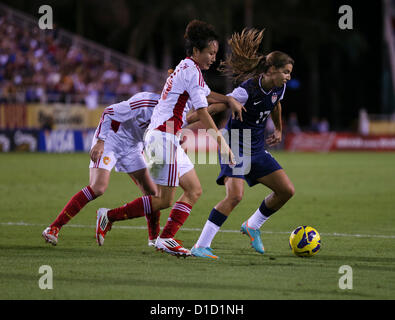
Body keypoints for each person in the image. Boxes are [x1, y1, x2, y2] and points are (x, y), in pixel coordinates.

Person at [95, 20, 244, 257]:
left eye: (215, 53)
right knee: (163, 200)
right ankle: (110, 216)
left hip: (167, 137)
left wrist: (228, 99)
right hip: (162, 138)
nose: (213, 58)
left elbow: (206, 94)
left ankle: (165, 238)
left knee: (194, 190)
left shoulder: (188, 69)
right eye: (210, 53)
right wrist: (222, 144)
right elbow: (203, 111)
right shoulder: (190, 71)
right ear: (196, 51)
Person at [189, 28, 295, 259]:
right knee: (235, 196)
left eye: (289, 73)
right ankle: (200, 246)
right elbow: (218, 107)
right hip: (235, 144)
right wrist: (188, 119)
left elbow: (276, 105)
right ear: (270, 70)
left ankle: (253, 225)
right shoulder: (246, 90)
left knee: (286, 190)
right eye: (285, 72)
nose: (288, 76)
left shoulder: (280, 88)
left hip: (256, 147)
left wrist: (278, 128)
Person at [42, 91, 162, 246]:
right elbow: (109, 112)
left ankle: (154, 239)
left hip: (132, 147)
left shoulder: (172, 111)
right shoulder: (146, 102)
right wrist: (100, 141)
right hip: (111, 140)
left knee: (153, 194)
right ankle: (53, 228)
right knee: (98, 187)